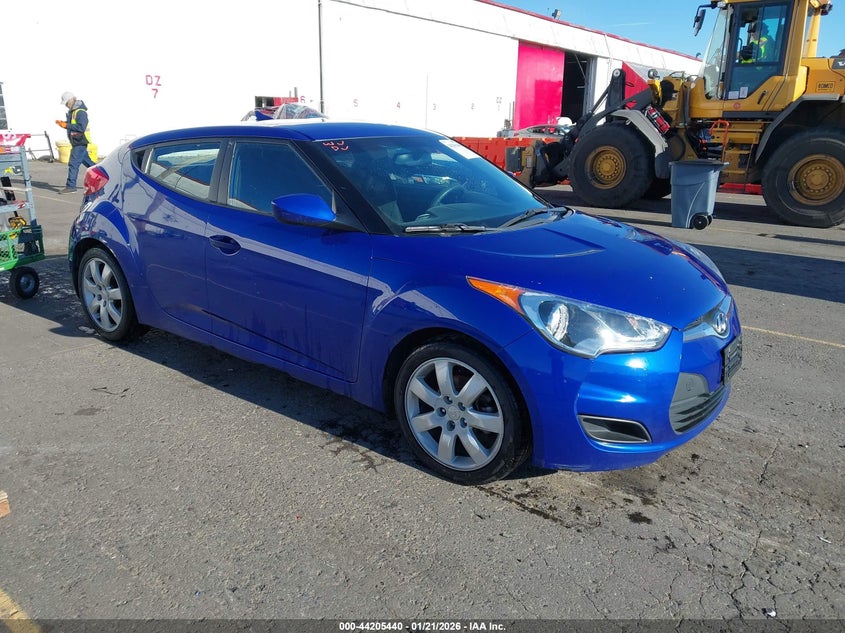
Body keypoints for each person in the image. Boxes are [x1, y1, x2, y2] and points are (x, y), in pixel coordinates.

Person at [55, 91, 95, 194]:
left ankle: (71, 186)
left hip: (80, 141)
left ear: (72, 100)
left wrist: (66, 125)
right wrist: (64, 124)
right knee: (89, 164)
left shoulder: (80, 112)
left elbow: (81, 127)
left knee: (73, 164)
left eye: (67, 103)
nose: (66, 106)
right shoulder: (73, 112)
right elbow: (74, 125)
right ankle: (105, 174)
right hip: (77, 141)